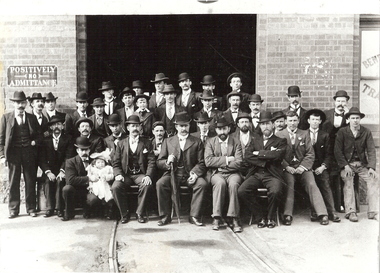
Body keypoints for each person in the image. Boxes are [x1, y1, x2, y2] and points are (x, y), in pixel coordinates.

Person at [276, 111, 329, 226]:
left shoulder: (305, 134)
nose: (292, 123)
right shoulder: (279, 134)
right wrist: (287, 167)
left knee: (311, 183)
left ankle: (322, 213)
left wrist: (302, 167)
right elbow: (277, 155)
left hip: (303, 167)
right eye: (290, 121)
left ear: (298, 121)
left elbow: (310, 154)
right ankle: (287, 214)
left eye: (295, 120)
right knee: (289, 183)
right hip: (288, 168)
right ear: (286, 121)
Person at [156, 112, 208, 227]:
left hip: (189, 174)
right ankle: (165, 216)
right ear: (176, 127)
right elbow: (159, 162)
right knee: (160, 184)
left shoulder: (197, 141)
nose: (183, 128)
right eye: (181, 126)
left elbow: (202, 162)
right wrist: (167, 162)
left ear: (189, 126)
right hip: (172, 174)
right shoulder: (168, 141)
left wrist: (195, 174)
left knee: (202, 184)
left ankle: (194, 215)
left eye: (186, 125)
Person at [238, 111, 287, 228]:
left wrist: (259, 153)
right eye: (263, 124)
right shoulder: (255, 140)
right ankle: (260, 216)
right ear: (259, 126)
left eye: (268, 123)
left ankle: (270, 218)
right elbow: (248, 156)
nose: (265, 126)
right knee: (242, 191)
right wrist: (267, 158)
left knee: (275, 191)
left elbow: (278, 156)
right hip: (256, 173)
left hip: (273, 174)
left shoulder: (281, 141)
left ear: (273, 125)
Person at [0, 91, 42, 218]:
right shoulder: (6, 118)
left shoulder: (32, 118)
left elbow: (40, 136)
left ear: (25, 103)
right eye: (18, 102)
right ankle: (13, 209)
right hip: (13, 154)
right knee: (14, 181)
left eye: (22, 102)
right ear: (14, 103)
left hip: (29, 153)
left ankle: (31, 208)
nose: (20, 105)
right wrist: (2, 156)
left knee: (30, 180)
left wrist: (34, 142)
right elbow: (1, 139)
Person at [334, 107, 378, 222]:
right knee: (348, 179)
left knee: (374, 179)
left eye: (357, 118)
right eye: (352, 118)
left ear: (360, 119)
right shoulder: (342, 132)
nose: (355, 121)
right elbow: (337, 151)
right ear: (348, 119)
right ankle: (351, 211)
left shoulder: (366, 132)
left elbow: (371, 150)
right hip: (347, 165)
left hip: (362, 165)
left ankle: (373, 211)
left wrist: (372, 167)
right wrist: (345, 166)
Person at [112, 115, 155, 224]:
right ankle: (124, 214)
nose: (135, 128)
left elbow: (151, 161)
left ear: (140, 127)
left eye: (137, 126)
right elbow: (116, 162)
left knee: (147, 185)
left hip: (140, 174)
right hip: (125, 174)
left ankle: (140, 213)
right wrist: (118, 174)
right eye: (132, 126)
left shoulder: (147, 142)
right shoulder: (121, 143)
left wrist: (148, 175)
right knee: (116, 187)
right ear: (128, 128)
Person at [204, 116, 243, 232]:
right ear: (216, 130)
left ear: (229, 129)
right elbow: (208, 161)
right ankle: (216, 217)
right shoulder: (210, 142)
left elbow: (239, 162)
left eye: (224, 129)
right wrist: (227, 160)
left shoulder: (236, 142)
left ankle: (234, 217)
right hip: (216, 174)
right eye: (219, 129)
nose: (222, 132)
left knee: (234, 184)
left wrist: (221, 166)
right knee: (220, 183)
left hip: (232, 173)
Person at [305, 109, 340, 223]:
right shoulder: (303, 134)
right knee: (312, 185)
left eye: (317, 120)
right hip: (308, 167)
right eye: (313, 119)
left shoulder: (325, 135)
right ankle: (315, 212)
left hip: (320, 166)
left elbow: (329, 154)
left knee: (325, 183)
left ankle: (332, 212)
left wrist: (323, 166)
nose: (315, 122)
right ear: (308, 120)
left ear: (320, 122)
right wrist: (307, 166)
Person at [39, 115, 74, 218]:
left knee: (60, 181)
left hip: (63, 169)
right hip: (49, 170)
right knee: (48, 181)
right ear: (50, 127)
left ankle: (59, 209)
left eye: (59, 124)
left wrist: (63, 170)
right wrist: (48, 172)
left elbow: (68, 157)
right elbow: (42, 158)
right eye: (54, 125)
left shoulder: (68, 139)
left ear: (63, 126)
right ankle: (49, 208)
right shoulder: (45, 140)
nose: (56, 127)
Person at [322, 90, 350, 213]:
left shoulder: (350, 115)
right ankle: (330, 206)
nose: (340, 104)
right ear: (334, 102)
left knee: (340, 177)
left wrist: (347, 119)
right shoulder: (326, 114)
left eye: (343, 101)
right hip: (328, 151)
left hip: (343, 151)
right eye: (338, 101)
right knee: (329, 177)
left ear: (347, 102)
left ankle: (341, 204)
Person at [62, 137, 100, 221]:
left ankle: (89, 210)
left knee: (93, 200)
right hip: (76, 191)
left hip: (91, 190)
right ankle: (69, 213)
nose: (84, 152)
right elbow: (70, 180)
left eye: (86, 150)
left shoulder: (94, 161)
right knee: (67, 188)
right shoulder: (70, 162)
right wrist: (89, 178)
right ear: (77, 150)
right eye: (81, 150)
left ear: (89, 150)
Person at [86, 149, 115, 219]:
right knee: (98, 197)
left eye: (102, 162)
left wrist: (107, 177)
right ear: (94, 163)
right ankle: (99, 212)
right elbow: (89, 177)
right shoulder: (92, 169)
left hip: (105, 186)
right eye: (98, 162)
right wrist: (91, 182)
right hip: (96, 186)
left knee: (108, 198)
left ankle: (109, 211)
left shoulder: (107, 168)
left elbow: (112, 175)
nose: (101, 164)